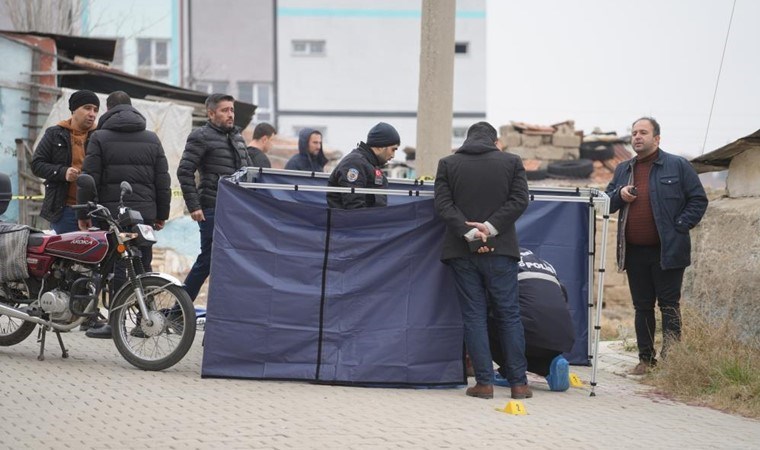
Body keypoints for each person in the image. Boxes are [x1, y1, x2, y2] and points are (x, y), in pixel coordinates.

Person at [434, 121, 531, 400]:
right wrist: (489, 228)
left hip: (462, 251)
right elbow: (519, 200)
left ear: (467, 140)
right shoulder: (512, 162)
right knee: (509, 315)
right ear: (495, 141)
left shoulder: (448, 164)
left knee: (474, 317)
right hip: (501, 250)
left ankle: (484, 384)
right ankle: (519, 384)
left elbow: (443, 205)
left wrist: (470, 232)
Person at [605, 117, 708, 375]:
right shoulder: (622, 170)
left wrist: (680, 226)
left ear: (657, 139)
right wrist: (620, 195)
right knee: (642, 306)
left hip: (667, 250)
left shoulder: (678, 166)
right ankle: (645, 361)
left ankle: (672, 362)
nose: (637, 137)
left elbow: (698, 199)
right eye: (634, 133)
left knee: (669, 305)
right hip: (634, 251)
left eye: (643, 132)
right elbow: (605, 202)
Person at [80, 91, 171, 339]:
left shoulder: (99, 137)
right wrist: (161, 213)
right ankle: (145, 322)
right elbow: (162, 180)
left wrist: (85, 211)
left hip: (112, 215)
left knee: (118, 267)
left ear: (108, 110)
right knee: (144, 265)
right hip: (145, 216)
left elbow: (89, 178)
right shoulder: (152, 139)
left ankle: (114, 324)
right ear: (133, 109)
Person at [177, 93, 252, 302]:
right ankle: (178, 312)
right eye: (224, 110)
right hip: (211, 208)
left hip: (237, 210)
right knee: (208, 260)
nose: (230, 115)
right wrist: (194, 206)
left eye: (232, 110)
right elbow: (184, 171)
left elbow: (250, 172)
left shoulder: (237, 138)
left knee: (234, 261)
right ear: (211, 113)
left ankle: (225, 311)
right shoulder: (200, 136)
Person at [489, 248, 575, 392]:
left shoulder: (503, 262)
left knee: (480, 321)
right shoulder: (544, 264)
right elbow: (563, 298)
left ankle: (508, 373)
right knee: (530, 338)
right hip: (561, 337)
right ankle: (550, 365)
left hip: (527, 333)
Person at [31, 90, 100, 234]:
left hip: (95, 211)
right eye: (87, 108)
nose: (92, 113)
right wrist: (63, 172)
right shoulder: (55, 134)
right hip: (65, 209)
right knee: (66, 254)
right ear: (74, 110)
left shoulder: (100, 136)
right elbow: (37, 165)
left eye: (95, 110)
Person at [326, 122, 399, 209]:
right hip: (355, 221)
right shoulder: (354, 164)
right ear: (380, 147)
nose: (393, 155)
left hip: (370, 220)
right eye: (393, 149)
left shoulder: (369, 164)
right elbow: (354, 207)